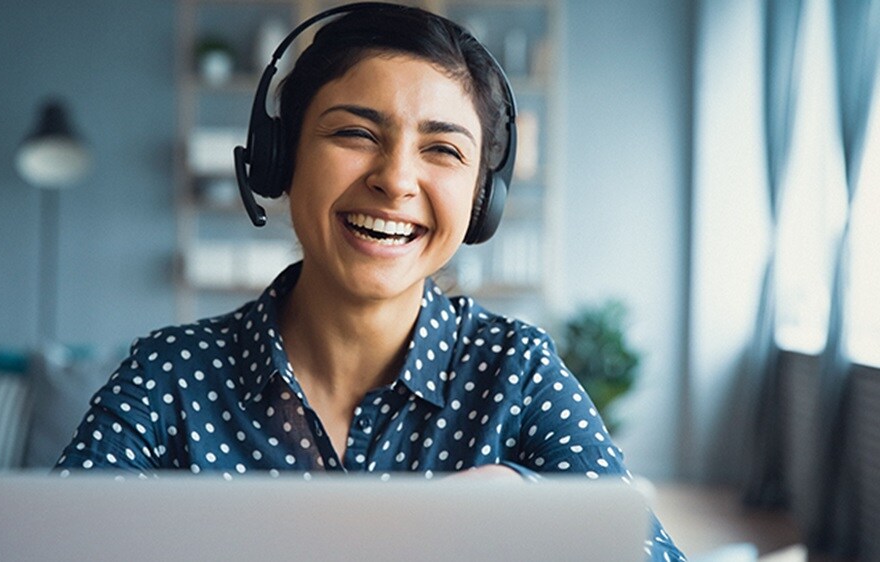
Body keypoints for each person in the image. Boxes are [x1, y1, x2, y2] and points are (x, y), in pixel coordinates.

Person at [56, 3, 687, 560]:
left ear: (480, 199)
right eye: (355, 133)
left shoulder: (515, 373)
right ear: (281, 157)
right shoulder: (171, 373)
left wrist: (530, 503)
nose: (396, 179)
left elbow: (650, 552)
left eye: (443, 150)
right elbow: (54, 540)